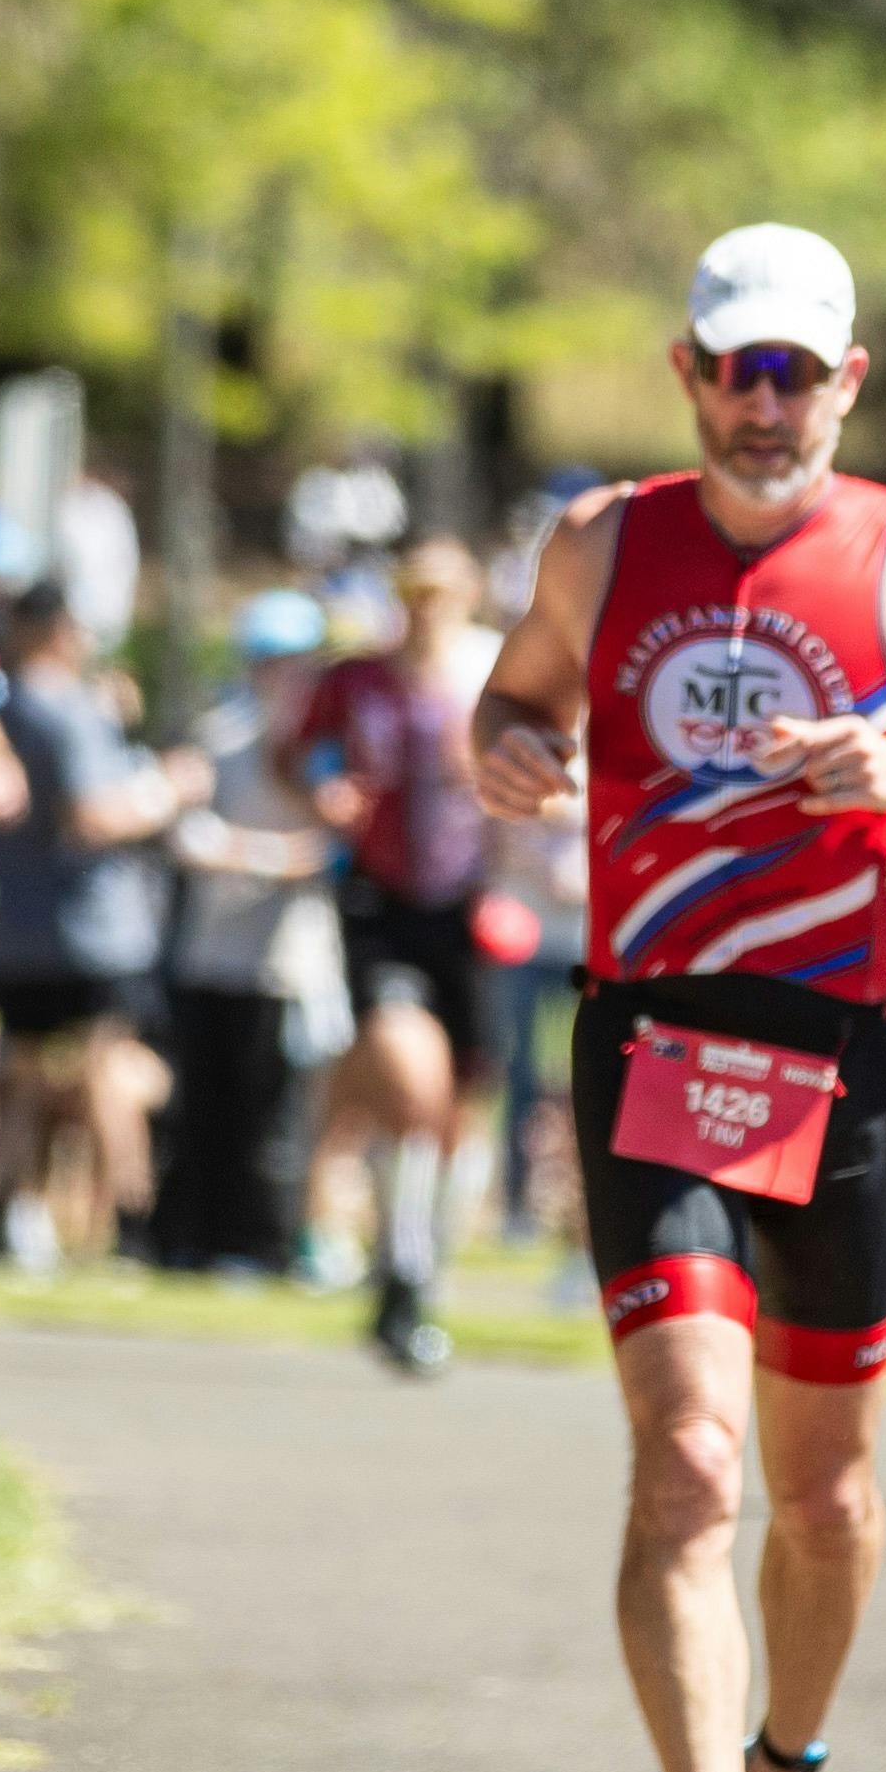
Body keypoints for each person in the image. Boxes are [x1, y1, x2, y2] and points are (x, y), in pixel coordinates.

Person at [469, 226, 886, 1772]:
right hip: (651, 1040)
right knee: (690, 1464)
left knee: (825, 1494)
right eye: (733, 369)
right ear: (686, 375)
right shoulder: (601, 542)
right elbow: (517, 693)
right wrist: (504, 746)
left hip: (844, 1053)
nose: (762, 403)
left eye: (797, 372)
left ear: (849, 381)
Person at [299, 537, 512, 1369]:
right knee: (402, 1070)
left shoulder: (493, 673)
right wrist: (327, 786)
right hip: (379, 897)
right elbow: (310, 747)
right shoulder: (358, 679)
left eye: (442, 592)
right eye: (413, 593)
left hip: (470, 904)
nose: (426, 608)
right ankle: (403, 1264)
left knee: (461, 1099)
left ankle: (421, 1268)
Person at [0, 584, 198, 1268]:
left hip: (18, 928)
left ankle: (1, 1215)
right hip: (91, 930)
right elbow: (94, 815)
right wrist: (170, 790)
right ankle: (132, 1222)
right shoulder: (69, 710)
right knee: (107, 1070)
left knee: (23, 1077)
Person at [157, 594, 344, 1279]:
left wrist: (268, 847)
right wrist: (269, 853)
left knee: (275, 1109)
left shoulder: (321, 743)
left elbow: (333, 834)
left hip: (286, 960)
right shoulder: (219, 732)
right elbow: (190, 832)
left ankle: (266, 1240)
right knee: (207, 1104)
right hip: (214, 950)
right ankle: (196, 1237)